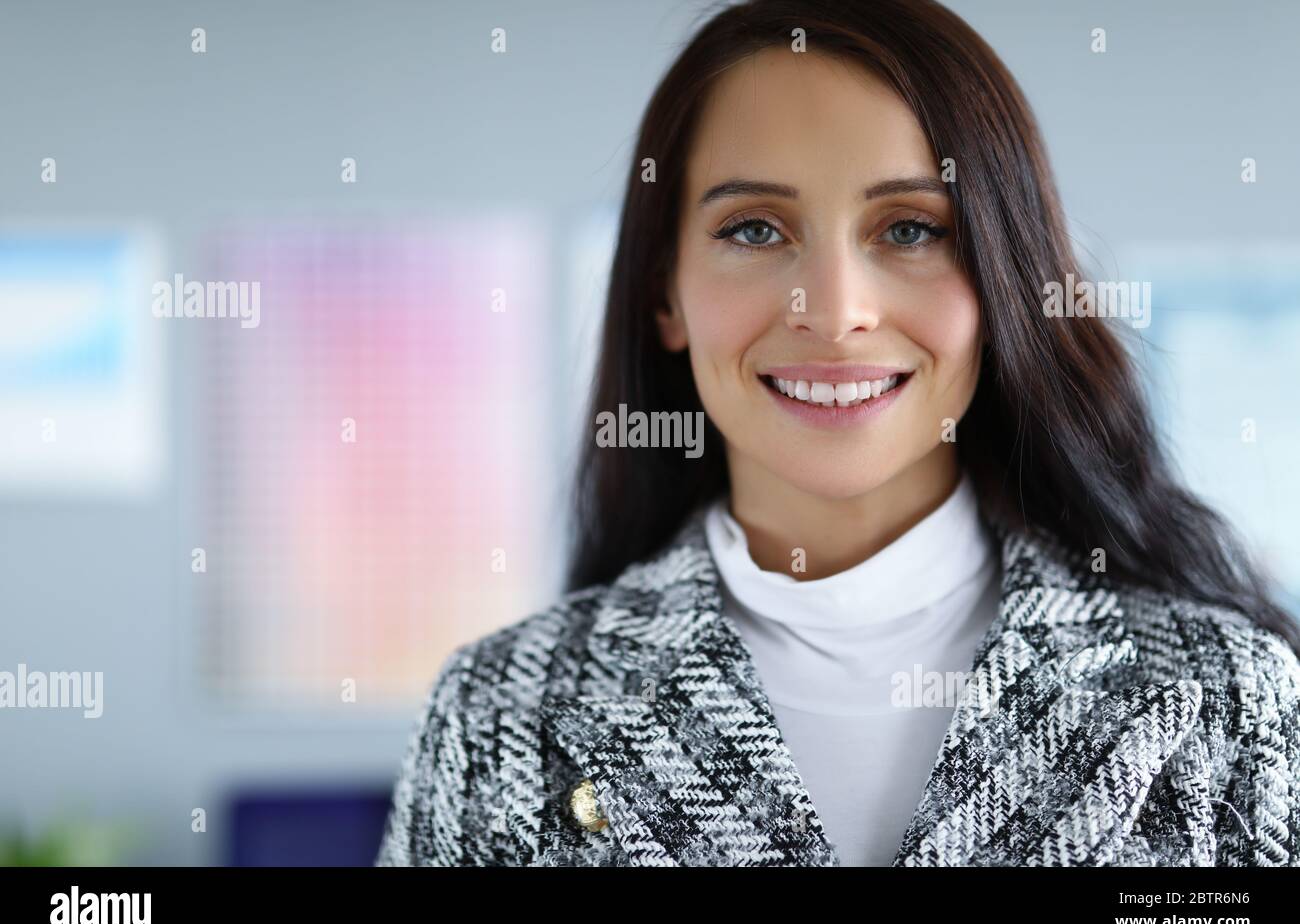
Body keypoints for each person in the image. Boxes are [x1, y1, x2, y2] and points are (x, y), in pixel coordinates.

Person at [377, 0, 1300, 866]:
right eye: (752, 230)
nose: (832, 310)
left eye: (908, 229)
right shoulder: (496, 717)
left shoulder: (1232, 702)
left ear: (1003, 278)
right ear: (666, 291)